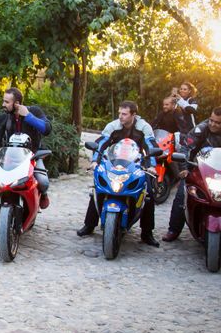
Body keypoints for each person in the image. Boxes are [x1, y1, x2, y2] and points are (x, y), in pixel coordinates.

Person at [0, 87, 51, 242]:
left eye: (6, 102)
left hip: (32, 156)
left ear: (17, 103)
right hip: (9, 158)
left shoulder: (33, 111)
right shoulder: (3, 118)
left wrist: (28, 116)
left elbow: (47, 129)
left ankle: (42, 196)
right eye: (4, 100)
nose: (3, 104)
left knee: (43, 181)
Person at [76, 100, 160, 246]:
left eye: (124, 114)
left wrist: (151, 165)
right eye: (120, 113)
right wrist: (95, 161)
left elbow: (151, 145)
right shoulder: (113, 126)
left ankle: (147, 233)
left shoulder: (144, 127)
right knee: (98, 186)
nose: (121, 116)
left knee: (148, 194)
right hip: (114, 163)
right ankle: (89, 225)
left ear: (134, 115)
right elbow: (101, 143)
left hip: (137, 164)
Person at [163, 107, 221, 242]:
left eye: (217, 123)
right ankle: (173, 229)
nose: (212, 124)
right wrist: (184, 168)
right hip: (199, 169)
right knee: (183, 193)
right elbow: (186, 148)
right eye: (211, 120)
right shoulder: (201, 129)